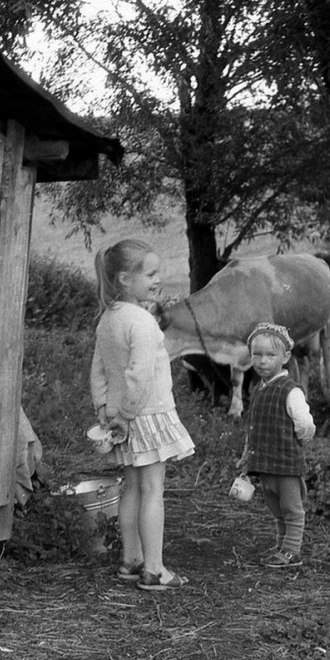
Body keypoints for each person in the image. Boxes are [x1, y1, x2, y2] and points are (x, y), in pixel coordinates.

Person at [90, 239, 194, 590]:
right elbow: (140, 375)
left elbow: (99, 370)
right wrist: (128, 414)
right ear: (123, 279)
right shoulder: (144, 322)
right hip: (145, 415)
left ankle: (130, 560)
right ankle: (154, 569)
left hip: (121, 417)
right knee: (152, 490)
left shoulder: (109, 318)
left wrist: (106, 409)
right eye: (150, 273)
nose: (157, 279)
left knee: (131, 488)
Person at [238, 321, 316, 568]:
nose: (262, 361)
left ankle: (292, 551)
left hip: (285, 465)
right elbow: (254, 428)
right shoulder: (259, 389)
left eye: (270, 355)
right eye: (256, 355)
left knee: (292, 509)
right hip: (265, 465)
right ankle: (282, 546)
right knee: (276, 509)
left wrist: (300, 441)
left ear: (285, 357)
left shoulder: (290, 390)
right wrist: (246, 455)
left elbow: (304, 423)